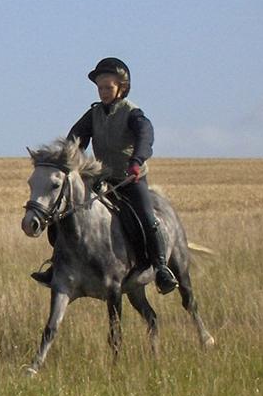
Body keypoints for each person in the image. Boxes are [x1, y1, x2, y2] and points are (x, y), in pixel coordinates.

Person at [32, 57, 179, 294]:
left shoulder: (133, 113)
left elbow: (145, 137)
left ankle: (161, 268)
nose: (103, 92)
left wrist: (137, 161)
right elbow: (75, 139)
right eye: (100, 88)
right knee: (63, 216)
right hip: (103, 180)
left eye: (108, 87)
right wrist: (66, 159)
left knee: (146, 218)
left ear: (121, 87)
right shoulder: (94, 114)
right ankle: (57, 266)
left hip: (131, 179)